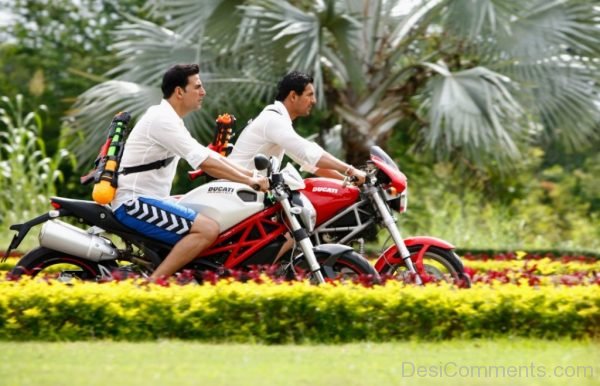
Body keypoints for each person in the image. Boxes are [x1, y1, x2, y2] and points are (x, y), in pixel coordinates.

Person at [111, 64, 268, 280]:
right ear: (179, 92)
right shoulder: (161, 119)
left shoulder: (170, 118)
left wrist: (251, 175)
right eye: (197, 87)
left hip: (150, 199)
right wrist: (249, 181)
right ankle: (155, 284)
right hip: (133, 203)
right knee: (207, 229)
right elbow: (204, 161)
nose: (203, 92)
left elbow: (208, 154)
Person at [228, 71, 366, 184]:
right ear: (293, 96)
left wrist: (348, 182)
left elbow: (312, 164)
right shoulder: (273, 120)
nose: (314, 101)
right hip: (235, 191)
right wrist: (350, 170)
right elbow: (309, 153)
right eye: (310, 95)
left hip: (246, 190)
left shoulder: (278, 120)